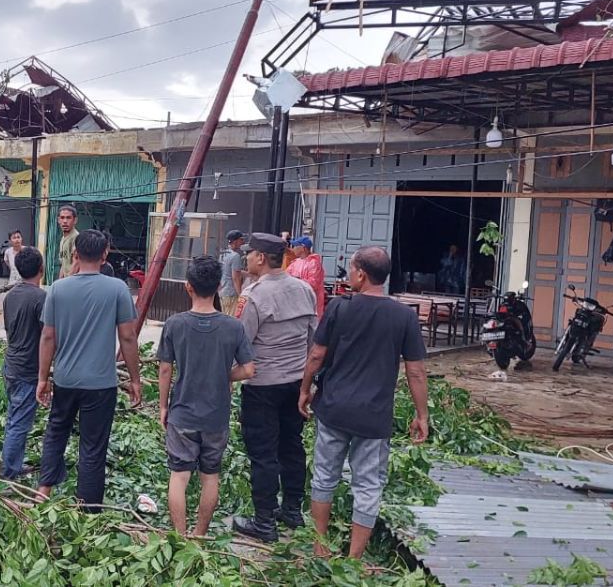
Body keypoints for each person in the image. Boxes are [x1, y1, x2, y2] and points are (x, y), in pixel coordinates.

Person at [299, 246, 429, 559]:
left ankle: (320, 547)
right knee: (368, 486)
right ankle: (354, 559)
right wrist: (421, 414)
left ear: (361, 274)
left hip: (334, 409)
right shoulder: (404, 316)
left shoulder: (340, 308)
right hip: (374, 417)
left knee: (325, 477)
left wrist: (304, 389)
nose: (348, 274)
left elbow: (317, 355)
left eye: (351, 269)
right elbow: (416, 372)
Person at [37, 229, 142, 510]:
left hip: (65, 379)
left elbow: (48, 337)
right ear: (105, 254)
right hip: (100, 383)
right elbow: (128, 337)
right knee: (93, 446)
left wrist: (43, 378)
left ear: (76, 254)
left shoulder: (58, 288)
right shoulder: (118, 288)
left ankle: (42, 492)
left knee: (56, 432)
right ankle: (87, 509)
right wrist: (135, 379)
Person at [158, 255, 255, 536]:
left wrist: (163, 406)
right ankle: (200, 536)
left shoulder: (175, 324)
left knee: (179, 475)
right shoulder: (233, 327)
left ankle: (180, 535)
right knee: (210, 476)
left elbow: (165, 370)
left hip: (182, 412)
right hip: (216, 416)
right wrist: (224, 374)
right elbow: (249, 369)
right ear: (218, 286)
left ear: (188, 287)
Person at [232, 233, 318, 541]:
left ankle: (264, 523)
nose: (246, 258)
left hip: (262, 386)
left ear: (260, 258)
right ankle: (292, 510)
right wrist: (310, 383)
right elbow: (313, 340)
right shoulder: (304, 290)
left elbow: (240, 343)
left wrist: (226, 378)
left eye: (250, 253)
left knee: (263, 453)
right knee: (292, 446)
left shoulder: (253, 296)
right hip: (296, 383)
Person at [0, 247, 46, 480]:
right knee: (19, 423)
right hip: (27, 369)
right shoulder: (40, 298)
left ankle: (13, 465)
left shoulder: (11, 296)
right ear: (42, 269)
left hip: (11, 364)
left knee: (13, 417)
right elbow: (47, 336)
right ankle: (8, 475)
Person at [287, 236, 327, 318]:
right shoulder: (295, 263)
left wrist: (296, 281)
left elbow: (313, 284)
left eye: (295, 246)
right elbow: (285, 276)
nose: (293, 249)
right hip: (296, 304)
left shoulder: (314, 263)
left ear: (303, 248)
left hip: (311, 305)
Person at [219, 230, 248, 315]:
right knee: (231, 318)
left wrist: (250, 274)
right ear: (235, 241)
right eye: (241, 240)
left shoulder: (223, 254)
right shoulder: (236, 256)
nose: (243, 242)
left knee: (225, 315)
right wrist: (240, 295)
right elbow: (235, 277)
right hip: (231, 293)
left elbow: (228, 270)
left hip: (223, 292)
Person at [55, 205, 80, 280]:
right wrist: (59, 283)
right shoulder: (63, 238)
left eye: (68, 218)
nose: (65, 221)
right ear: (58, 220)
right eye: (62, 218)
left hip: (74, 281)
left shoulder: (76, 238)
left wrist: (67, 283)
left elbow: (76, 263)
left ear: (75, 220)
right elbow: (63, 264)